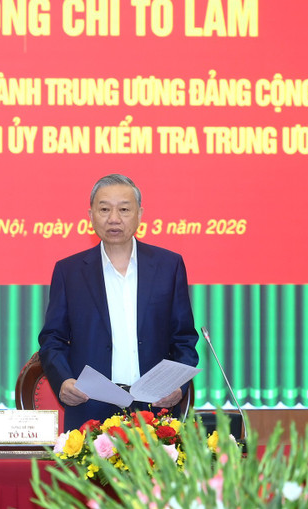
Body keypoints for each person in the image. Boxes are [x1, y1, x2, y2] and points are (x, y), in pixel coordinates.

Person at [38, 174, 199, 431]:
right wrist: (63, 380)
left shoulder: (169, 266)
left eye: (124, 209)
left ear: (139, 214)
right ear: (90, 215)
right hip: (90, 408)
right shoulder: (69, 271)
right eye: (104, 209)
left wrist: (177, 386)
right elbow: (52, 339)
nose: (114, 218)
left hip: (155, 409)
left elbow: (184, 339)